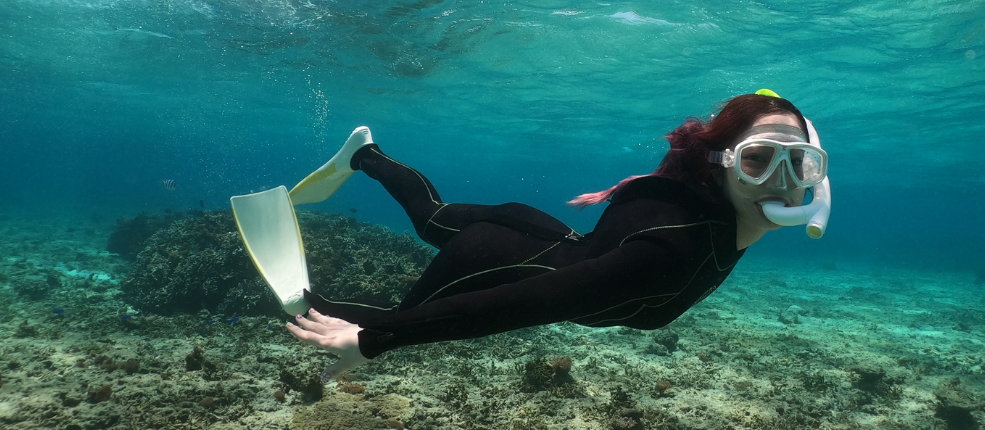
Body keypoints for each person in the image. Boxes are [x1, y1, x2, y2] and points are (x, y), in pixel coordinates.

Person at [285, 90, 831, 380]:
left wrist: (773, 114)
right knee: (391, 313)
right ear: (720, 166)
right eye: (758, 160)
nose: (782, 184)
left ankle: (364, 154)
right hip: (493, 258)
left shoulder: (728, 215)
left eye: (801, 164)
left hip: (538, 232)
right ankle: (304, 305)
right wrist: (375, 341)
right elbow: (529, 302)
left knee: (432, 214)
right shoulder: (675, 251)